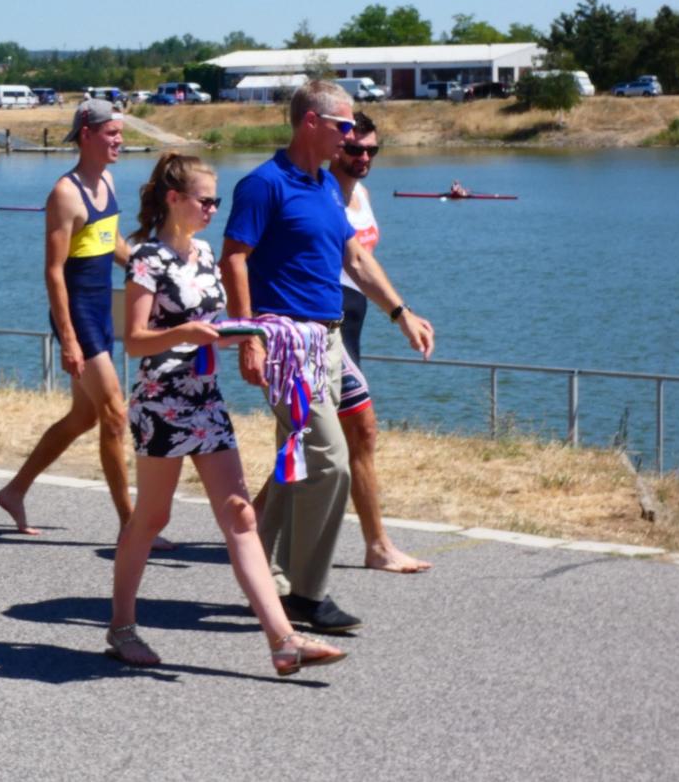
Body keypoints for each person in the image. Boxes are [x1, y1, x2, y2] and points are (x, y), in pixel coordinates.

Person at [108, 153, 344, 676]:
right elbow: (135, 341)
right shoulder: (148, 258)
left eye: (216, 200)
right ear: (175, 199)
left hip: (205, 397)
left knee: (239, 514)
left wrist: (261, 332)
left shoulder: (206, 252)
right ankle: (122, 626)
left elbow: (215, 323)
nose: (214, 208)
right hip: (162, 400)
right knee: (152, 518)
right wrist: (185, 333)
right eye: (206, 200)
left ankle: (283, 640)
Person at [220, 81, 434, 634]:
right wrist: (248, 337)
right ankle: (307, 592)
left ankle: (262, 577)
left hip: (329, 342)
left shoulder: (323, 187)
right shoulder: (263, 184)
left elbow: (354, 259)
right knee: (330, 458)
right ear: (311, 123)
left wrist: (401, 313)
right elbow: (234, 259)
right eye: (342, 126)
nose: (349, 136)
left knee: (293, 464)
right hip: (286, 342)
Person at [253, 112, 432, 574]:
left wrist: (401, 312)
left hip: (354, 320)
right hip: (320, 322)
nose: (364, 157)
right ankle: (376, 546)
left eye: (372, 150)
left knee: (306, 437)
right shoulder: (318, 191)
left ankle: (252, 524)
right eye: (354, 149)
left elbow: (361, 261)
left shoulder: (359, 196)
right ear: (337, 147)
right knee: (360, 430)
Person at [0, 99, 168, 548]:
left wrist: (153, 270)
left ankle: (14, 491)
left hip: (99, 308)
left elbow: (110, 242)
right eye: (112, 133)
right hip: (77, 316)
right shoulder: (65, 194)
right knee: (115, 414)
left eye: (120, 133)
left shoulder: (106, 180)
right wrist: (68, 339)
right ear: (86, 135)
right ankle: (131, 524)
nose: (119, 141)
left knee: (83, 416)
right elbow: (53, 272)